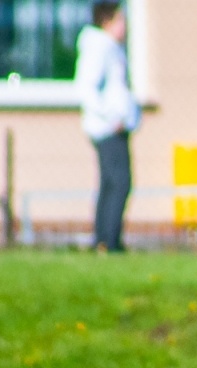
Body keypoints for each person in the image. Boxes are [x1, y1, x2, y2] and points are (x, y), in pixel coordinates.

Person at [74, 2, 140, 253]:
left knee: (110, 183)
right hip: (108, 128)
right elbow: (86, 88)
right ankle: (109, 241)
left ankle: (104, 240)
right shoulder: (99, 48)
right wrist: (112, 116)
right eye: (120, 20)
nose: (124, 26)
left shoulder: (111, 48)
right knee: (121, 182)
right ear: (107, 22)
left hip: (115, 127)